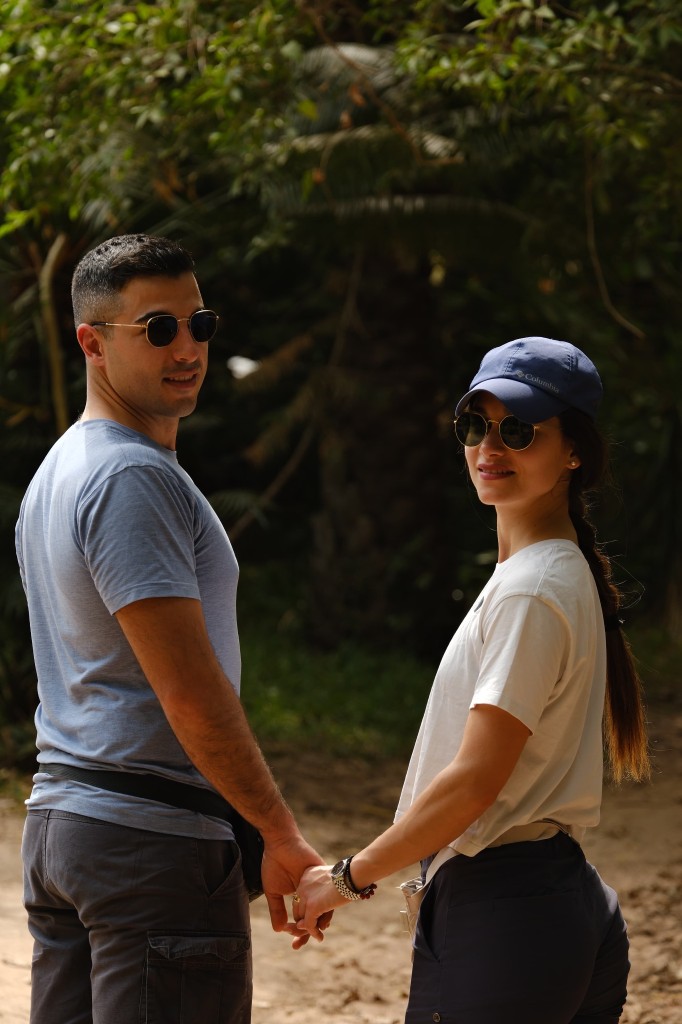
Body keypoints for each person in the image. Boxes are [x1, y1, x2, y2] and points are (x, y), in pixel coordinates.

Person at [15, 233, 326, 1024]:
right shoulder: (131, 477)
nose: (187, 349)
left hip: (66, 831)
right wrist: (277, 831)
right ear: (92, 343)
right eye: (158, 329)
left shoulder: (60, 469)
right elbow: (189, 691)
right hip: (146, 848)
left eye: (199, 324)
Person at [295, 336, 650, 1024]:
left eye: (519, 431)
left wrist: (346, 878)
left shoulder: (533, 589)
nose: (490, 446)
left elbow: (475, 782)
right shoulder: (550, 571)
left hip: (505, 921)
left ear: (573, 452)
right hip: (550, 907)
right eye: (475, 425)